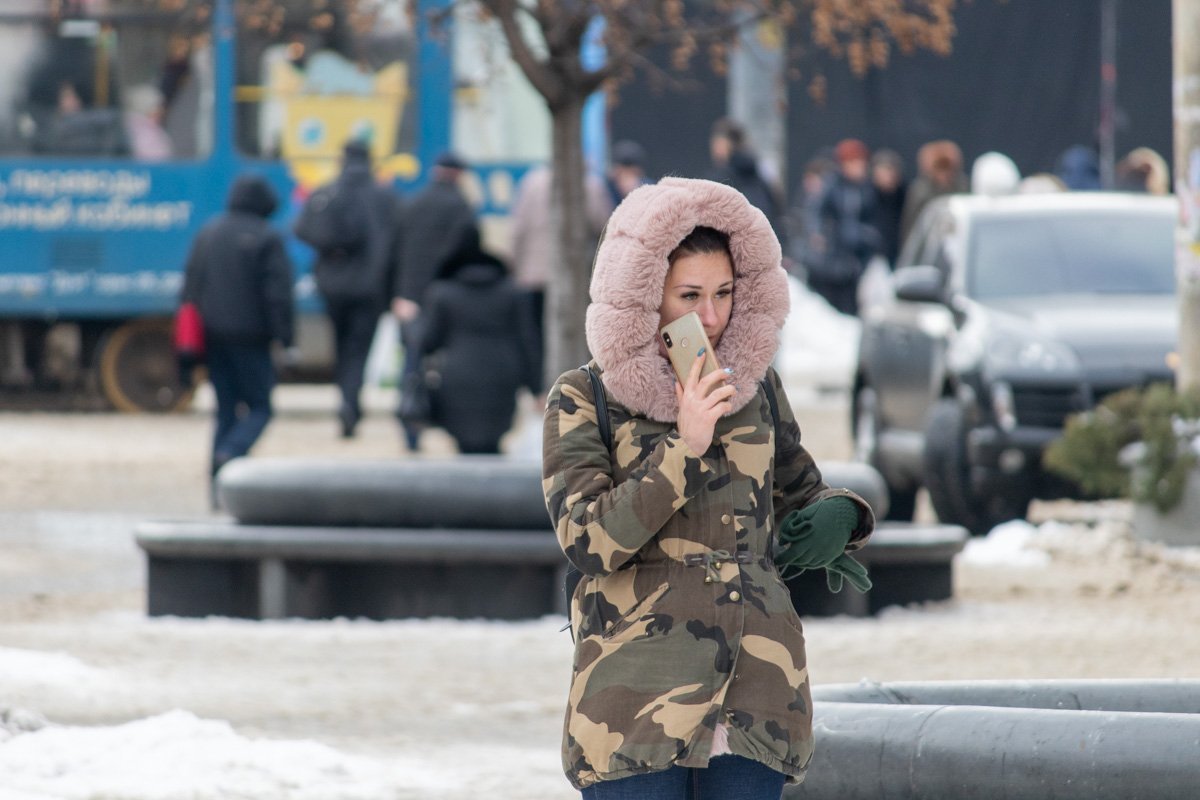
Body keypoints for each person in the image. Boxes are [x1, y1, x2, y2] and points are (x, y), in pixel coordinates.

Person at [542, 177, 876, 797]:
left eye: (724, 293)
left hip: (757, 691)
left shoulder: (755, 387)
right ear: (643, 296)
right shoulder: (584, 396)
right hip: (634, 701)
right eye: (689, 295)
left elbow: (800, 489)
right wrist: (684, 446)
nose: (713, 317)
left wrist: (838, 519)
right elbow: (587, 540)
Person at [179, 173, 295, 499]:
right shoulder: (268, 237)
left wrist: (189, 344)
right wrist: (285, 339)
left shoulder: (209, 232)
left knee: (226, 410)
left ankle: (217, 488)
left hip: (212, 337)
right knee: (261, 407)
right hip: (252, 338)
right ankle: (232, 453)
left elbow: (190, 287)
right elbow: (278, 295)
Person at [295, 138, 397, 438]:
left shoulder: (327, 192)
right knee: (359, 348)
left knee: (341, 346)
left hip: (333, 286)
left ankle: (346, 400)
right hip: (371, 287)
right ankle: (350, 402)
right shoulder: (385, 198)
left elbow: (301, 229)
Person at [414, 226, 540, 454]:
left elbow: (426, 341)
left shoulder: (442, 293)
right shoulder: (512, 292)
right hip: (503, 374)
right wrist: (536, 387)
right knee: (493, 443)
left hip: (457, 375)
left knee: (465, 446)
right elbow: (527, 340)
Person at [391, 151, 476, 450]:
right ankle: (452, 425)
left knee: (412, 365)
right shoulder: (462, 208)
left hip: (411, 299)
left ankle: (410, 426)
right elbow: (467, 254)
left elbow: (395, 253)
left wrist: (398, 295)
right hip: (449, 297)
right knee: (448, 363)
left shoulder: (411, 204)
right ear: (458, 175)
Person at [510, 162, 613, 386]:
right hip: (573, 276)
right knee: (574, 332)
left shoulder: (531, 182)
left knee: (537, 335)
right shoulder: (590, 184)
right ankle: (574, 384)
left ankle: (540, 388)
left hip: (532, 275)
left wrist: (515, 267)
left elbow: (517, 229)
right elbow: (604, 226)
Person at [809, 138, 880, 316]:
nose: (859, 168)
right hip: (833, 258)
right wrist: (821, 235)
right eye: (855, 163)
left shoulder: (866, 189)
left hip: (855, 259)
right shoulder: (831, 186)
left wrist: (867, 236)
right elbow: (815, 212)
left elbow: (872, 218)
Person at [706, 117, 786, 247]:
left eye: (716, 143)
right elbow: (777, 206)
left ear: (727, 144)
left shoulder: (722, 177)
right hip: (764, 242)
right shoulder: (760, 172)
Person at [899, 139, 967, 246]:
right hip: (928, 244)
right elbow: (912, 224)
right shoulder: (921, 191)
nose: (944, 174)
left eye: (947, 168)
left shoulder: (961, 187)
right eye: (940, 169)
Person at [869, 148, 907, 269]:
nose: (888, 176)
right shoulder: (866, 196)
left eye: (891, 171)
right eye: (884, 171)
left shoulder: (904, 195)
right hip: (871, 257)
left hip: (899, 254)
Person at [605, 139, 651, 206]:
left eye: (631, 173)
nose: (626, 179)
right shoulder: (606, 189)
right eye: (623, 173)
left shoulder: (649, 188)